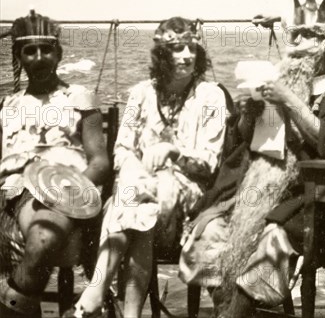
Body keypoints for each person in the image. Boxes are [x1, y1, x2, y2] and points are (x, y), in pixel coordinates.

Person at [179, 0, 325, 317]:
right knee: (209, 232)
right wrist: (248, 113)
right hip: (258, 192)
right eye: (293, 37)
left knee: (272, 239)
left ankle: (235, 313)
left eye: (304, 38)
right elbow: (254, 145)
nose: (294, 46)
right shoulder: (280, 81)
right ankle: (228, 308)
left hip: (313, 198)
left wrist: (288, 99)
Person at [68, 17, 228, 318]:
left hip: (186, 198)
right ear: (162, 55)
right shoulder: (140, 93)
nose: (186, 55)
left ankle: (96, 289)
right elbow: (121, 150)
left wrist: (173, 151)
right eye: (177, 48)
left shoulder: (211, 96)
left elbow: (209, 162)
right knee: (141, 206)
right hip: (140, 195)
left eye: (191, 48)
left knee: (142, 197)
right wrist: (136, 172)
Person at [0, 11, 110, 318]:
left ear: (58, 53)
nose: (39, 58)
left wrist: (68, 193)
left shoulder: (79, 98)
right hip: (11, 193)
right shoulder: (7, 105)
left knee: (43, 236)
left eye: (46, 49)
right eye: (29, 51)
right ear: (19, 56)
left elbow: (100, 162)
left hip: (65, 191)